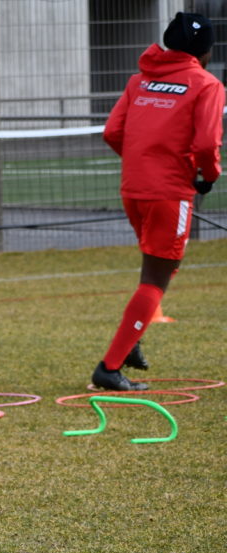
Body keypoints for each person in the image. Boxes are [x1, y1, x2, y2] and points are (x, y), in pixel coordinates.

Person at [93, 12, 223, 391]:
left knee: (158, 268)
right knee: (157, 278)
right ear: (205, 52)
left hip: (133, 188)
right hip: (169, 192)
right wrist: (209, 176)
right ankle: (109, 368)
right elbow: (206, 144)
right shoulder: (206, 84)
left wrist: (143, 163)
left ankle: (130, 340)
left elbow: (112, 132)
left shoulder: (140, 79)